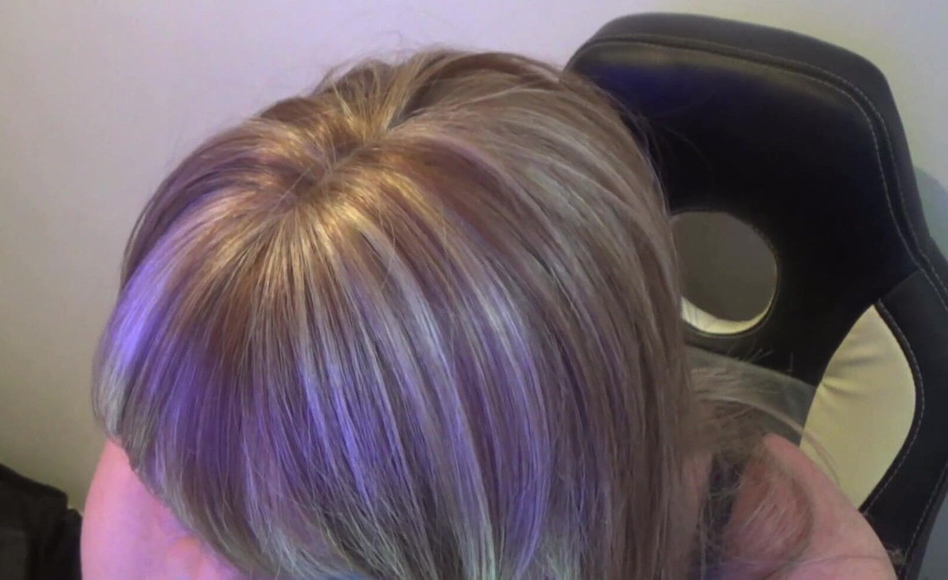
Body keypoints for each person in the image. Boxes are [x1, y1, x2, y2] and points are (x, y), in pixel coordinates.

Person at [80, 51, 893, 579]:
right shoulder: (196, 416)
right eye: (175, 495)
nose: (186, 562)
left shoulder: (808, 555)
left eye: (286, 557)